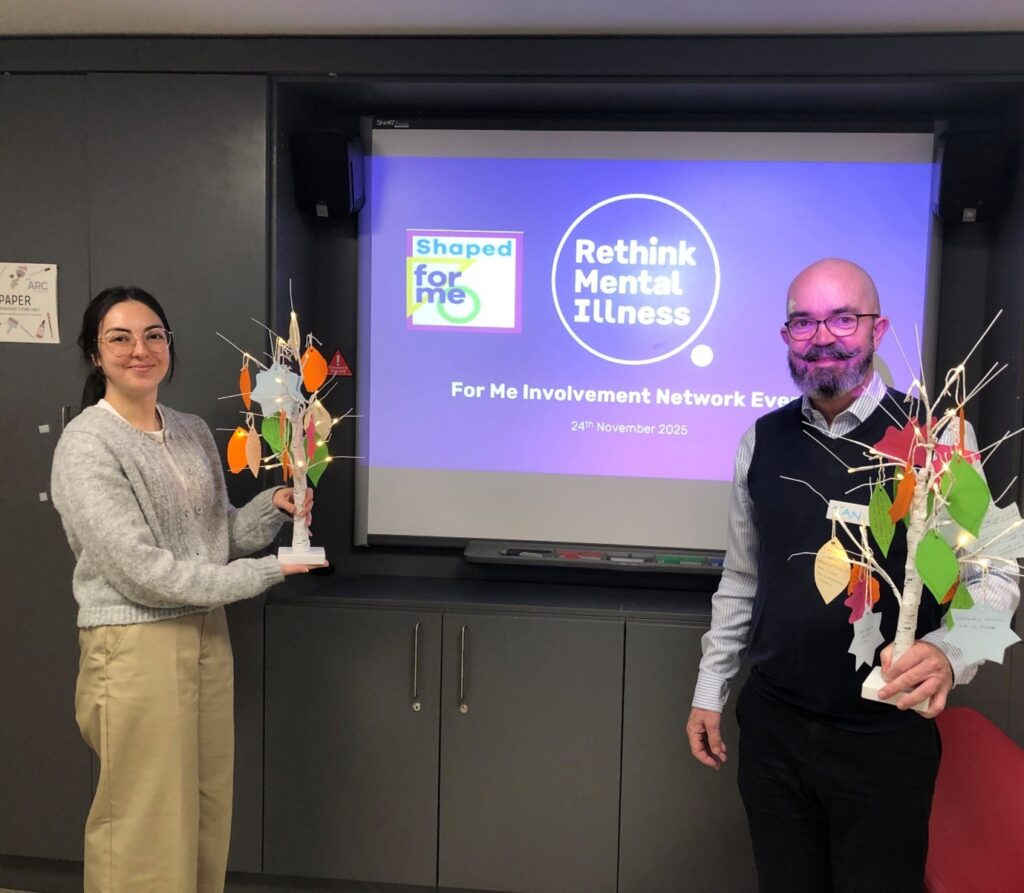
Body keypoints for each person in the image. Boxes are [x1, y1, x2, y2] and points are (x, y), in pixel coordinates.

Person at [684, 259, 1019, 892]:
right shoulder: (760, 442)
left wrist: (952, 653)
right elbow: (742, 580)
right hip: (774, 730)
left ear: (877, 328)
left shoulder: (939, 438)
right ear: (787, 337)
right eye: (804, 322)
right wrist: (710, 689)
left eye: (843, 318)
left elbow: (995, 570)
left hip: (883, 741)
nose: (823, 336)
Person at [51, 286, 324, 893]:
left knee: (203, 810)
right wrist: (270, 571)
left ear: (169, 346)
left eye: (153, 335)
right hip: (134, 644)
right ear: (94, 355)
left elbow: (212, 535)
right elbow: (141, 571)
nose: (139, 350)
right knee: (145, 826)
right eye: (118, 338)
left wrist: (273, 509)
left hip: (204, 633)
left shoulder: (190, 429)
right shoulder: (87, 445)